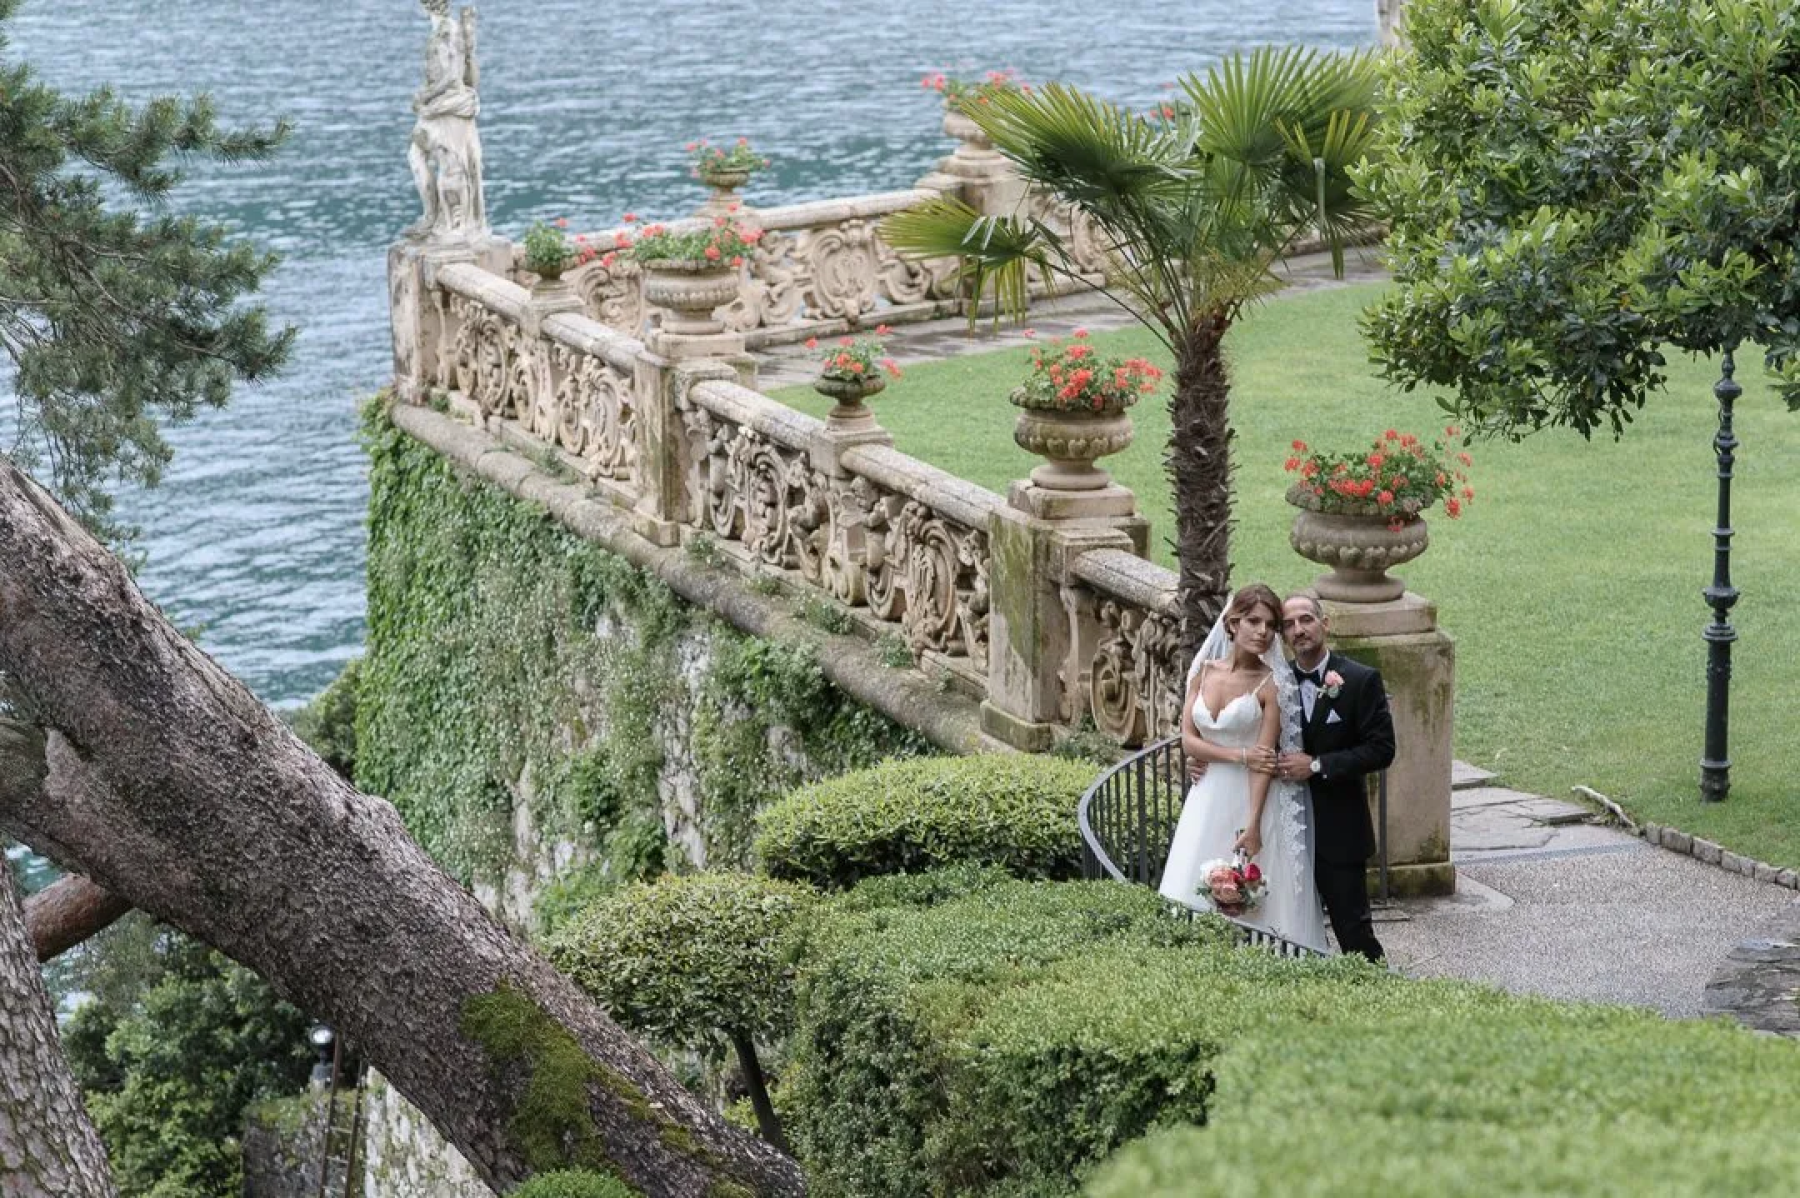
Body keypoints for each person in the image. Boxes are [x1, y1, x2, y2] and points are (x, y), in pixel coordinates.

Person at [1158, 585, 1329, 953]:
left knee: (1250, 894)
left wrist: (1253, 825)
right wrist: (1240, 755)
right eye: (1253, 621)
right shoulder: (1202, 671)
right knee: (1193, 882)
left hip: (1253, 797)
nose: (1263, 632)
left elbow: (1265, 760)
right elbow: (1188, 740)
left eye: (1270, 625)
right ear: (1232, 623)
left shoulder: (1271, 684)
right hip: (1207, 795)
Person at [1274, 593, 1395, 962]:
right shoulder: (1275, 685)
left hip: (1339, 830)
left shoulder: (1360, 680)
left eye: (1306, 620)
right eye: (1289, 624)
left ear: (1324, 625)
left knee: (1353, 931)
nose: (1299, 630)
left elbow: (1381, 749)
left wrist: (1317, 765)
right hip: (1286, 830)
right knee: (1287, 931)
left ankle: (1381, 999)